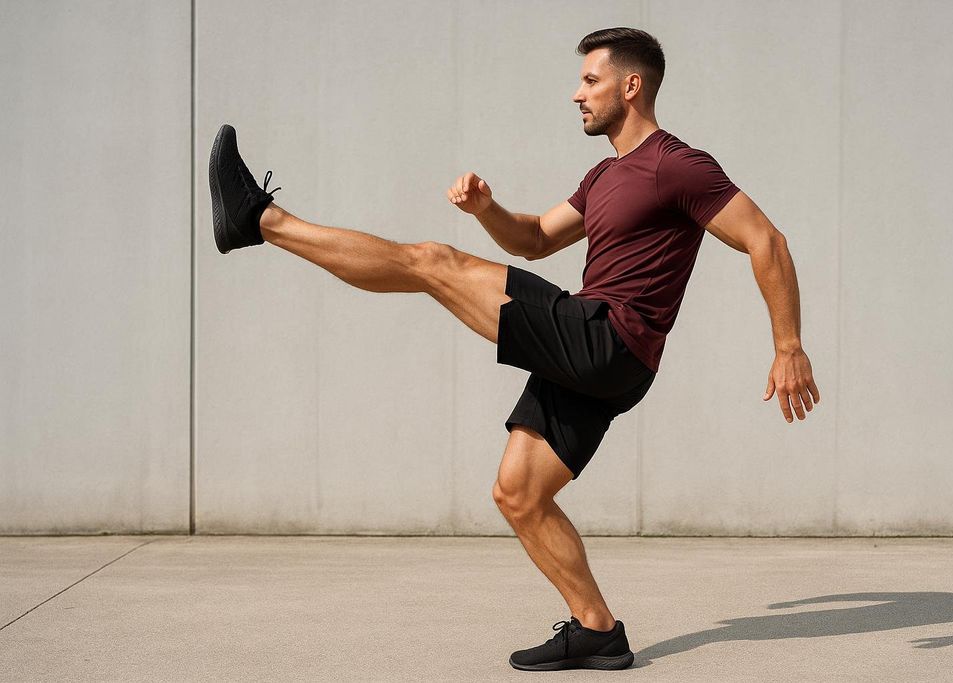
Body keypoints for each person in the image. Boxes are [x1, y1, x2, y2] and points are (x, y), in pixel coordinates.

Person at [208, 26, 820, 673]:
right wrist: (487, 208)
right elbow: (533, 239)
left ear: (631, 86)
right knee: (519, 494)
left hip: (607, 337)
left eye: (591, 80)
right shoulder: (604, 176)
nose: (577, 93)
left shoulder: (678, 164)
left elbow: (766, 240)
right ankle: (598, 631)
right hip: (603, 358)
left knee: (431, 262)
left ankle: (261, 220)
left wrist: (789, 346)